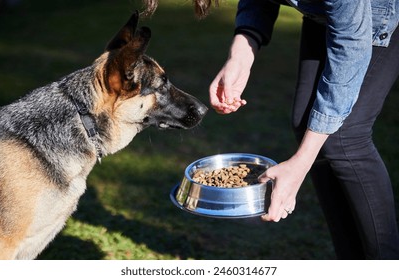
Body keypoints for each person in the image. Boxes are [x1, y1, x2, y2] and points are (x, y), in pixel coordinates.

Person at [142, 0, 399, 259]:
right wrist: (241, 54)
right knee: (307, 124)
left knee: (344, 137)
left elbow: (352, 44)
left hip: (377, 18)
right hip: (324, 13)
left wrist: (301, 163)